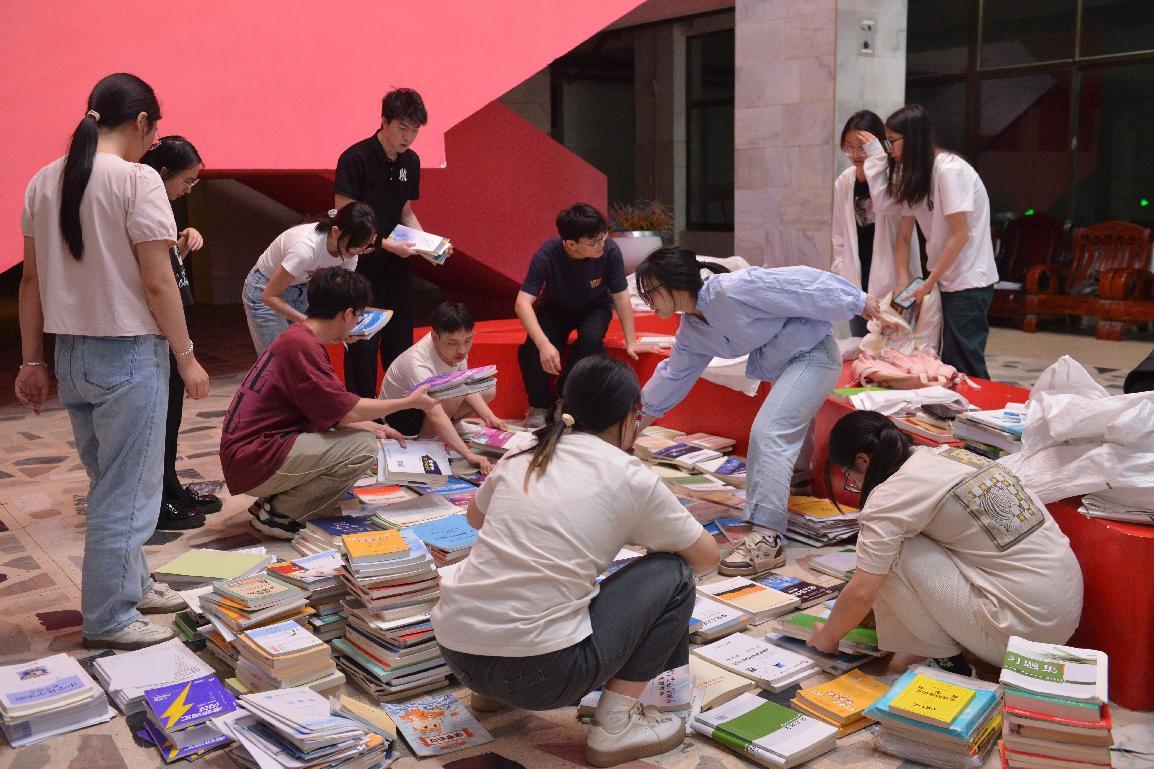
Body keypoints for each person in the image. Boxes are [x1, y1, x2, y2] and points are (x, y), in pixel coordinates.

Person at [432, 356, 719, 768]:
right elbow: (707, 557)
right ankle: (615, 727)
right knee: (672, 574)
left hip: (458, 655)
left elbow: (475, 518)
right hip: (543, 676)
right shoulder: (629, 474)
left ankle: (490, 695)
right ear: (630, 417)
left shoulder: (526, 448)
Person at [16, 73, 210, 650]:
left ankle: (135, 584)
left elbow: (30, 281)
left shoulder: (43, 180)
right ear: (144, 123)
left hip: (71, 355)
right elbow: (158, 282)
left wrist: (31, 361)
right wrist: (187, 357)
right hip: (128, 355)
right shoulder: (137, 179)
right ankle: (108, 618)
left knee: (112, 484)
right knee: (125, 494)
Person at [635, 247, 881, 578]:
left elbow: (802, 283)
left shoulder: (730, 289)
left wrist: (857, 301)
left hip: (813, 355)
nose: (647, 302)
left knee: (769, 432)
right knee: (786, 428)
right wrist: (630, 425)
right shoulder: (693, 329)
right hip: (785, 365)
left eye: (650, 292)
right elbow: (672, 376)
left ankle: (767, 538)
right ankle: (797, 489)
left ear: (675, 283)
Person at [809, 410, 1083, 674]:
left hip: (1022, 633)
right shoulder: (948, 455)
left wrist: (828, 637)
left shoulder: (890, 498)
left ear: (863, 460)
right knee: (896, 541)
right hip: (1062, 617)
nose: (854, 483)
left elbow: (862, 592)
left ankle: (949, 663)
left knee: (890, 553)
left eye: (850, 476)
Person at [221, 267, 437, 540]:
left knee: (362, 434)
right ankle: (282, 514)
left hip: (252, 454)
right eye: (357, 316)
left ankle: (273, 503)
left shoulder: (299, 337)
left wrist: (371, 425)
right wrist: (407, 402)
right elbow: (347, 409)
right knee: (363, 447)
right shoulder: (302, 345)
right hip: (254, 458)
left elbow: (328, 409)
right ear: (348, 314)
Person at [861, 104, 998, 378]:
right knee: (944, 363)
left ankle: (985, 406)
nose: (889, 150)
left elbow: (961, 234)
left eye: (892, 141)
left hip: (969, 281)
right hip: (944, 281)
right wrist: (903, 282)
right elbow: (903, 237)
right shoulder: (916, 177)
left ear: (913, 138)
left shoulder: (950, 170)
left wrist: (927, 283)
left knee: (965, 361)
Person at [335, 88, 446, 397]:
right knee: (363, 347)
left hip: (396, 269)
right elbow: (344, 216)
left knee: (400, 344)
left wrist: (428, 245)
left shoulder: (410, 161)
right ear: (384, 121)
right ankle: (362, 412)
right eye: (402, 128)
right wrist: (383, 243)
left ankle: (398, 413)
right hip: (360, 266)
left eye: (414, 131)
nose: (408, 137)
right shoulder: (355, 158)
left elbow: (405, 212)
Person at [139, 136, 221, 530]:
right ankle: (156, 498)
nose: (188, 190)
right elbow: (153, 283)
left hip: (173, 323)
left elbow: (167, 270)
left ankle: (169, 485)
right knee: (158, 419)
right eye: (186, 181)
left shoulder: (161, 207)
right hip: (156, 332)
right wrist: (185, 355)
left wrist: (183, 246)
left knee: (171, 414)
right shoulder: (144, 203)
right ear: (163, 172)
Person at [515, 203, 639, 428]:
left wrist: (631, 341)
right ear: (570, 244)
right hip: (555, 308)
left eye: (603, 237)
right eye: (594, 242)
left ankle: (566, 398)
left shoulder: (609, 250)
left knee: (591, 342)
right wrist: (543, 344)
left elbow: (621, 296)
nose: (601, 244)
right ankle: (539, 404)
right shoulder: (547, 253)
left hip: (595, 307)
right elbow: (522, 303)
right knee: (532, 349)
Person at [379, 301, 503, 472]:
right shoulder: (418, 362)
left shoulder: (457, 349)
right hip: (400, 418)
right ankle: (425, 443)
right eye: (453, 343)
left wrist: (489, 417)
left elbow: (466, 384)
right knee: (451, 394)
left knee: (487, 389)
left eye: (468, 340)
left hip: (429, 405)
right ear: (435, 337)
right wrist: (468, 454)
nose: (462, 350)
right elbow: (435, 412)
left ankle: (453, 427)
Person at [242, 202, 378, 355]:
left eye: (363, 248)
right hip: (266, 289)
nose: (355, 254)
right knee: (279, 358)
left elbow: (342, 295)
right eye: (353, 247)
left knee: (303, 354)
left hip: (302, 287)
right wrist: (313, 324)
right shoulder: (305, 249)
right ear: (335, 232)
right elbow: (269, 296)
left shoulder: (350, 251)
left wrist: (346, 328)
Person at [832, 110, 922, 338]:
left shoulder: (896, 177)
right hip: (857, 278)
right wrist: (841, 269)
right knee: (860, 343)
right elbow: (839, 234)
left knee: (896, 346)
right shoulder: (845, 181)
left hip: (894, 277)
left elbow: (885, 205)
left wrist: (876, 159)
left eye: (863, 147)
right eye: (849, 147)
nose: (855, 155)